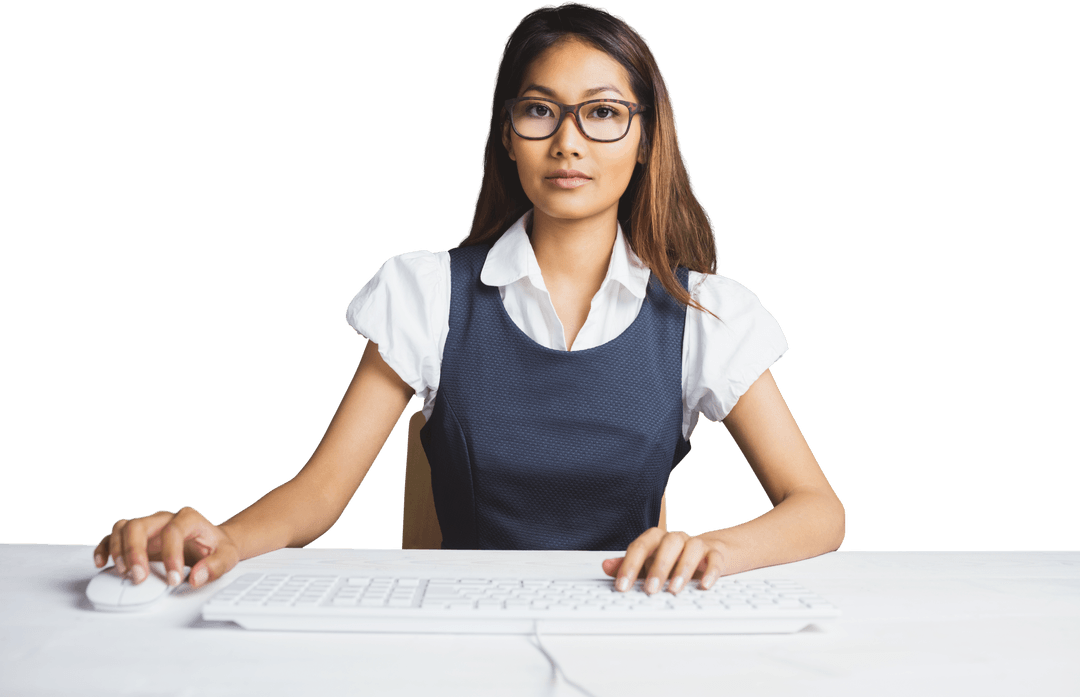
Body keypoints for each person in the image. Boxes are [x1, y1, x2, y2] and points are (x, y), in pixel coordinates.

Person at [94, 2, 845, 598]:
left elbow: (817, 506)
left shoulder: (706, 315)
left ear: (647, 138)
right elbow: (317, 493)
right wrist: (219, 538)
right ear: (507, 136)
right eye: (540, 110)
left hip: (629, 630)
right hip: (458, 634)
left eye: (604, 112)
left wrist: (713, 548)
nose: (569, 142)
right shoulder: (424, 293)